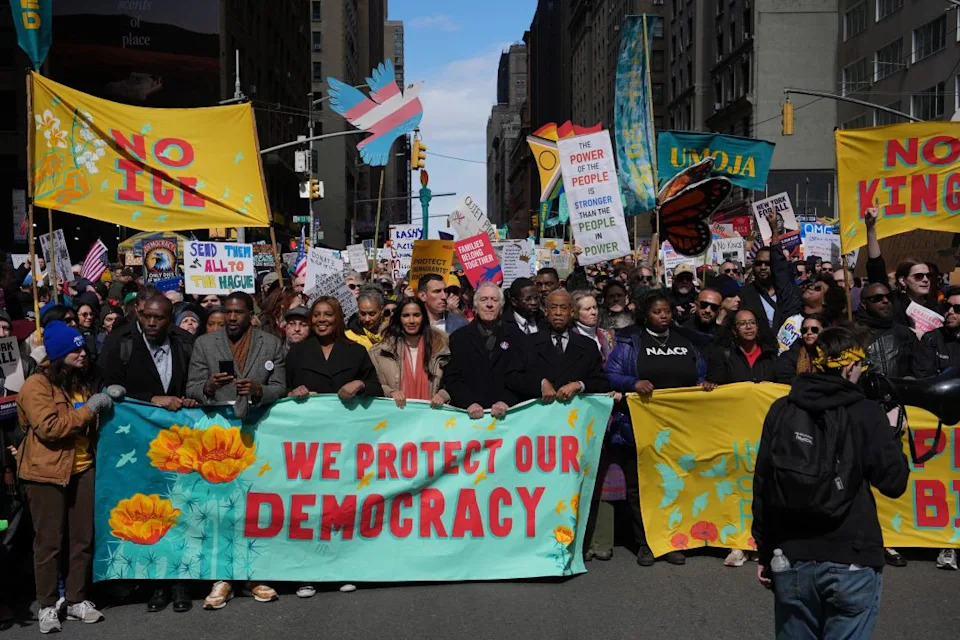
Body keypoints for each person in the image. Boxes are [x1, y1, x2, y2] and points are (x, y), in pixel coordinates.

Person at [753, 327, 909, 640]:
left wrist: (766, 552)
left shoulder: (782, 409)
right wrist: (893, 435)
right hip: (851, 554)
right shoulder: (865, 412)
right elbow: (893, 482)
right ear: (850, 366)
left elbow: (764, 486)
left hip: (791, 556)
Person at [16, 322, 120, 632]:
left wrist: (111, 402)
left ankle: (76, 600)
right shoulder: (35, 386)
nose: (83, 354)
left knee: (82, 539)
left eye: (84, 348)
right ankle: (48, 605)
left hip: (83, 469)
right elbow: (51, 427)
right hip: (45, 474)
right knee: (48, 544)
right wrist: (90, 408)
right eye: (75, 349)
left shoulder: (79, 381)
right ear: (59, 353)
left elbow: (89, 415)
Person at [98, 294, 197, 613]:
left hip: (179, 440)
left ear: (171, 319)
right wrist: (150, 398)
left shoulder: (184, 342)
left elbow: (193, 383)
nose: (152, 324)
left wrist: (192, 397)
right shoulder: (121, 342)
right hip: (138, 442)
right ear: (140, 316)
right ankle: (156, 583)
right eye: (147, 318)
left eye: (160, 319)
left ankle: (181, 583)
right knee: (150, 509)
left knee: (178, 505)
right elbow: (107, 385)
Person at [186, 292, 286, 609]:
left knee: (255, 505)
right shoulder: (205, 344)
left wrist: (260, 390)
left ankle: (255, 574)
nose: (231, 317)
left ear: (250, 315)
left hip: (258, 434)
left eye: (237, 312)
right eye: (227, 311)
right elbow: (190, 387)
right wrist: (209, 387)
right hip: (218, 437)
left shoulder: (270, 344)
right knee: (220, 507)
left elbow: (281, 386)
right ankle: (222, 577)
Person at [605, 290, 715, 567]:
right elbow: (611, 373)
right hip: (639, 428)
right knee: (641, 488)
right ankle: (646, 543)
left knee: (673, 484)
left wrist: (704, 383)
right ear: (646, 314)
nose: (663, 316)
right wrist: (632, 383)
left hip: (678, 430)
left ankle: (672, 540)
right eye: (657, 312)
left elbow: (698, 371)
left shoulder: (685, 341)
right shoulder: (631, 341)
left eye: (667, 311)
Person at [913, 286, 960, 571]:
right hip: (942, 425)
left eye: (958, 309)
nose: (951, 312)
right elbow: (923, 378)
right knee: (944, 485)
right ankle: (946, 542)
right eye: (949, 308)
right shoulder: (932, 340)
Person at [506, 289, 610, 403]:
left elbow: (601, 382)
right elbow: (512, 378)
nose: (558, 313)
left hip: (575, 415)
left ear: (572, 312)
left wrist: (579, 385)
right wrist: (540, 384)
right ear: (546, 311)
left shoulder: (587, 346)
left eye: (563, 308)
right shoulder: (528, 343)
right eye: (553, 307)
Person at [442, 282, 518, 419]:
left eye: (494, 300)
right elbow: (452, 378)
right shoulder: (459, 338)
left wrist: (507, 400)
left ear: (501, 307)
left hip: (506, 416)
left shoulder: (516, 336)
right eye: (484, 300)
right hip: (469, 416)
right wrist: (469, 403)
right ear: (475, 306)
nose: (489, 304)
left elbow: (521, 375)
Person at [285, 296, 383, 399]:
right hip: (309, 413)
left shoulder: (357, 351)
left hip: (346, 413)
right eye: (316, 315)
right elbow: (284, 388)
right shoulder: (297, 352)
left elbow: (376, 388)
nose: (321, 319)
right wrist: (291, 393)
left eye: (328, 315)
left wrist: (360, 384)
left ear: (338, 318)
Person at [369, 297, 450, 409]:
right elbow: (370, 384)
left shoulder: (441, 349)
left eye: (416, 315)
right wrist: (390, 392)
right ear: (399, 318)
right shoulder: (379, 352)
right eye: (406, 316)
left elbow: (452, 381)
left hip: (431, 416)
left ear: (423, 317)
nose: (411, 321)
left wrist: (442, 395)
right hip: (394, 416)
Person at [863, 207, 938, 318]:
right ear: (903, 281)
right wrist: (870, 228)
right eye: (919, 276)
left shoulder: (935, 307)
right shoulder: (893, 304)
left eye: (928, 276)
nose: (925, 280)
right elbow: (876, 267)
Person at [739, 216, 802, 331]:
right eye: (759, 263)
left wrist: (774, 230)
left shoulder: (788, 291)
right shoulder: (745, 293)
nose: (763, 267)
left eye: (768, 264)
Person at [855, 282, 917, 379]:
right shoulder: (852, 334)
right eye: (878, 298)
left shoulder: (904, 333)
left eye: (889, 297)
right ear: (864, 303)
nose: (885, 301)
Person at [706, 309, 778, 386]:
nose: (748, 327)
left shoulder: (769, 354)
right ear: (734, 330)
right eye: (742, 324)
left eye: (752, 323)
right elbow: (714, 383)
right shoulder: (724, 354)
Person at [776, 274, 844, 354]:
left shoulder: (823, 328)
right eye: (810, 285)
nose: (811, 287)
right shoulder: (792, 311)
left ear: (825, 300)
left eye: (817, 288)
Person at [774, 314, 828, 384]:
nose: (809, 333)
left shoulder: (832, 354)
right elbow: (784, 378)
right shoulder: (788, 356)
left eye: (814, 329)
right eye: (804, 330)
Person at [571, 290, 616, 361]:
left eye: (595, 308)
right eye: (587, 309)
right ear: (575, 313)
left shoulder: (607, 335)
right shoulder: (570, 338)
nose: (594, 312)